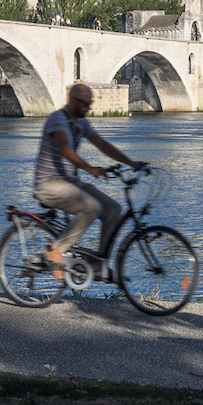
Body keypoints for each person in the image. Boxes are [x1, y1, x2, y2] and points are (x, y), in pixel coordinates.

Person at [33, 83, 144, 281]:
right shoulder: (58, 119)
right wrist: (90, 169)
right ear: (72, 100)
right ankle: (55, 251)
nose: (87, 108)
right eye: (84, 104)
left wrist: (132, 163)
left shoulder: (80, 123)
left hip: (70, 183)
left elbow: (102, 144)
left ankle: (99, 264)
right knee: (91, 208)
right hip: (48, 184)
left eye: (89, 104)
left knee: (113, 209)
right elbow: (66, 149)